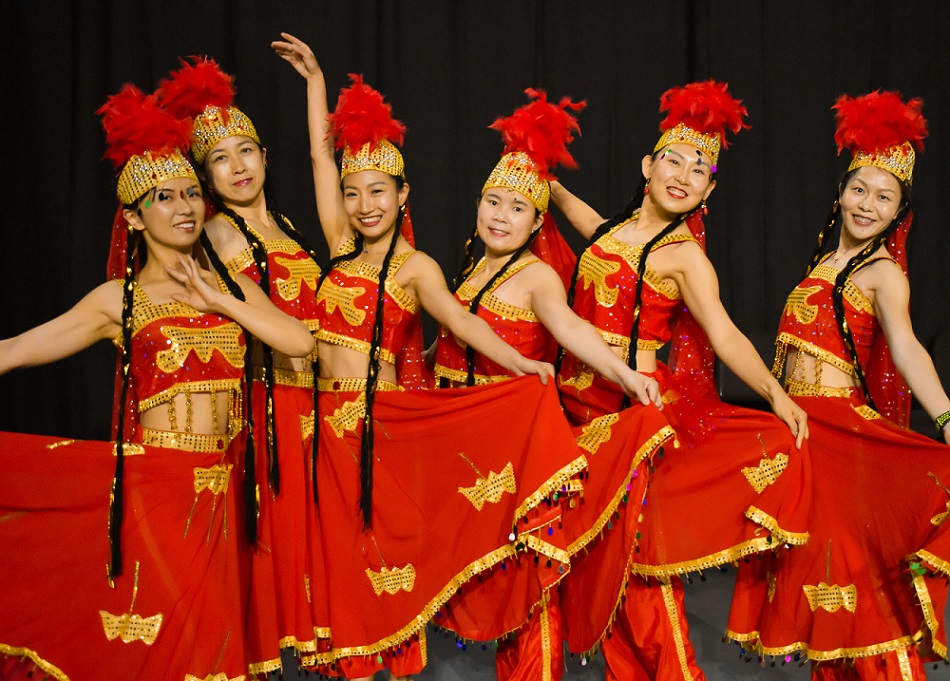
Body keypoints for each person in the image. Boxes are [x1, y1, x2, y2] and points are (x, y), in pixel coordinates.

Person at [274, 33, 589, 681]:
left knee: (389, 572)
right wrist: (315, 85)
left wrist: (526, 364)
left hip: (386, 426)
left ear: (404, 194)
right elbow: (316, 157)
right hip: (323, 430)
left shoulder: (419, 267)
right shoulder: (338, 243)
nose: (363, 204)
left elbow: (462, 324)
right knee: (336, 574)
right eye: (353, 191)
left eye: (378, 191)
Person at [0, 84, 313, 680]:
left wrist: (219, 299)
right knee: (185, 648)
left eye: (192, 193)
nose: (184, 206)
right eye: (163, 197)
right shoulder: (117, 301)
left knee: (213, 645)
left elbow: (298, 342)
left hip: (224, 495)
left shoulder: (229, 289)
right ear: (135, 217)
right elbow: (12, 350)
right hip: (158, 492)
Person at [550, 81, 810, 680]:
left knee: (639, 577)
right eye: (673, 158)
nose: (684, 174)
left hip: (631, 414)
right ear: (647, 165)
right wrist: (546, 177)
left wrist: (776, 394)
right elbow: (586, 221)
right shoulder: (613, 232)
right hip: (575, 411)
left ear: (709, 189)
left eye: (700, 169)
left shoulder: (684, 256)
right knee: (594, 573)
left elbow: (724, 335)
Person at [429, 89, 671, 681]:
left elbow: (571, 329)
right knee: (495, 581)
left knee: (528, 582)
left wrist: (625, 374)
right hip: (469, 438)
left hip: (518, 445)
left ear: (538, 221)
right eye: (492, 201)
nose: (499, 215)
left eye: (517, 208)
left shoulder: (536, 275)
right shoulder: (469, 266)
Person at [727, 91, 950, 680]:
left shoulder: (882, 274)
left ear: (900, 211)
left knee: (857, 580)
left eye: (885, 197)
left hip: (842, 433)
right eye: (860, 189)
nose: (867, 204)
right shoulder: (823, 264)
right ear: (841, 190)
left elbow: (905, 347)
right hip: (801, 435)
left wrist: (947, 416)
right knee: (817, 578)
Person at [159, 56, 324, 676]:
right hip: (274, 408)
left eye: (247, 150)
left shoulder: (285, 224)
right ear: (205, 177)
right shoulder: (221, 237)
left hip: (321, 406)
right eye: (221, 158)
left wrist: (315, 90)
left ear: (263, 156)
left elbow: (323, 166)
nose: (238, 166)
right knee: (280, 560)